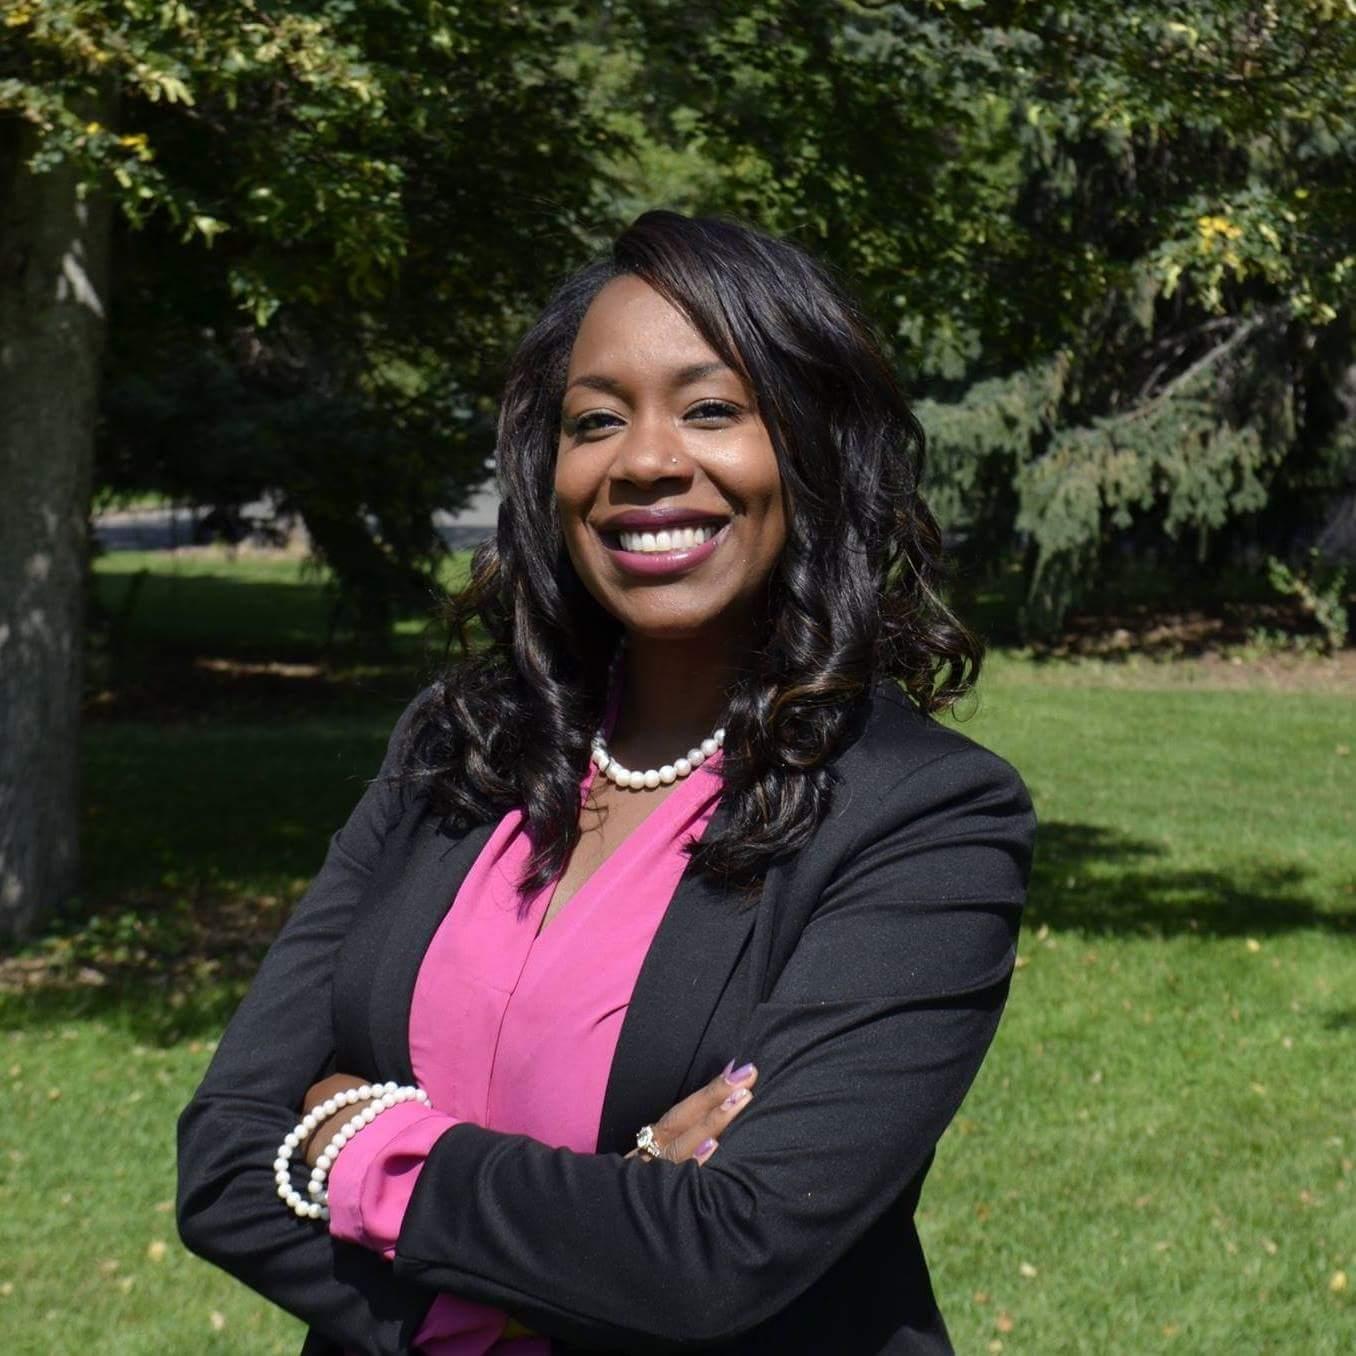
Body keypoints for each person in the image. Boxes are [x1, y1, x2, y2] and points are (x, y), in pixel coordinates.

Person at [176, 209, 1038, 1356]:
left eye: (713, 408)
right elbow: (225, 1161)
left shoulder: (921, 815)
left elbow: (721, 1257)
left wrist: (360, 1147)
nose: (645, 460)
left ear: (816, 446)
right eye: (595, 420)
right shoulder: (460, 746)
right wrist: (613, 1210)